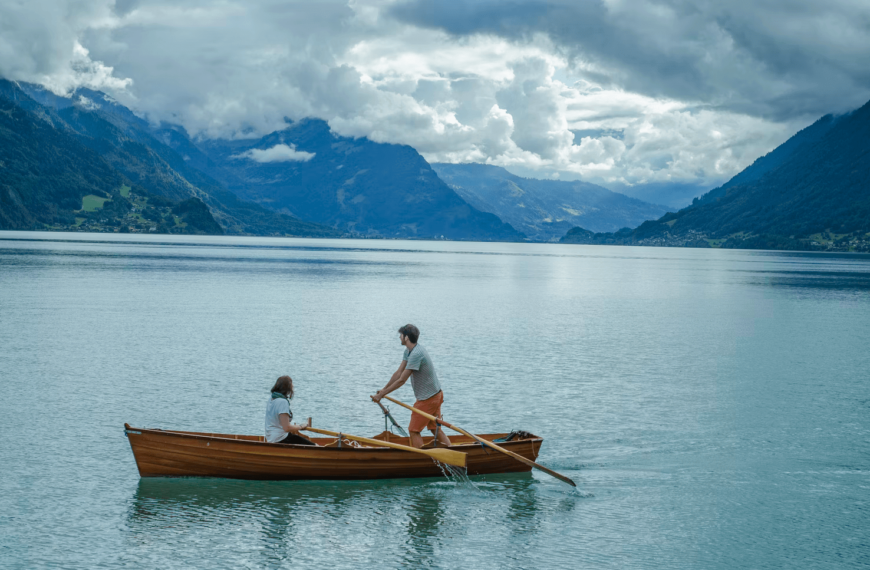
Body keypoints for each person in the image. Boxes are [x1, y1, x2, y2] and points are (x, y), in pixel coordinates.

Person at [372, 324, 451, 449]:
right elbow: (398, 373)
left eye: (401, 335)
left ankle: (425, 460)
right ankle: (453, 452)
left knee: (414, 431)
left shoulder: (416, 354)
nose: (399, 337)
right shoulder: (409, 351)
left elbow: (402, 380)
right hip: (436, 395)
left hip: (428, 399)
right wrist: (383, 389)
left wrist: (382, 394)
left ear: (407, 337)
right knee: (435, 429)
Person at [265, 375, 316, 446]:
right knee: (314, 446)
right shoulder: (282, 402)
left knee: (298, 439)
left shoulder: (271, 398)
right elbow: (286, 427)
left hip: (270, 438)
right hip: (280, 439)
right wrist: (301, 426)